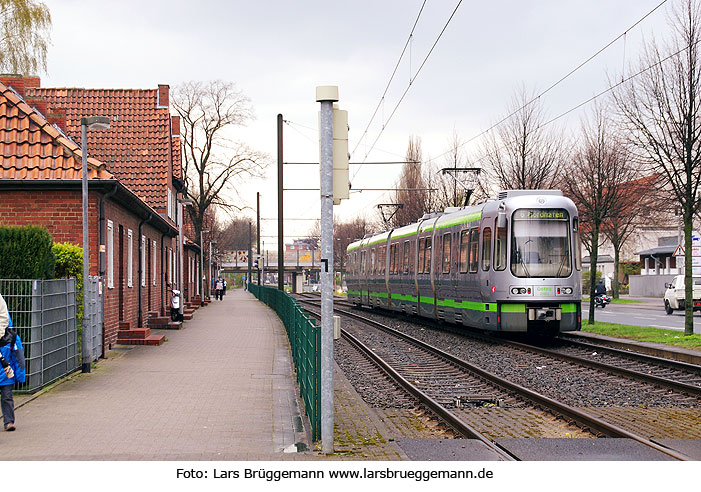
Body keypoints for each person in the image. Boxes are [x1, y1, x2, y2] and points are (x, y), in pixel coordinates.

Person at [0, 293, 26, 432]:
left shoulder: (11, 338)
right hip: (6, 373)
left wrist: (20, 375)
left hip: (5, 374)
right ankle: (8, 422)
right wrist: (20, 375)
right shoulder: (12, 337)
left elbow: (19, 356)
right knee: (7, 398)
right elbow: (19, 358)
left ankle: (9, 422)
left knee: (7, 397)